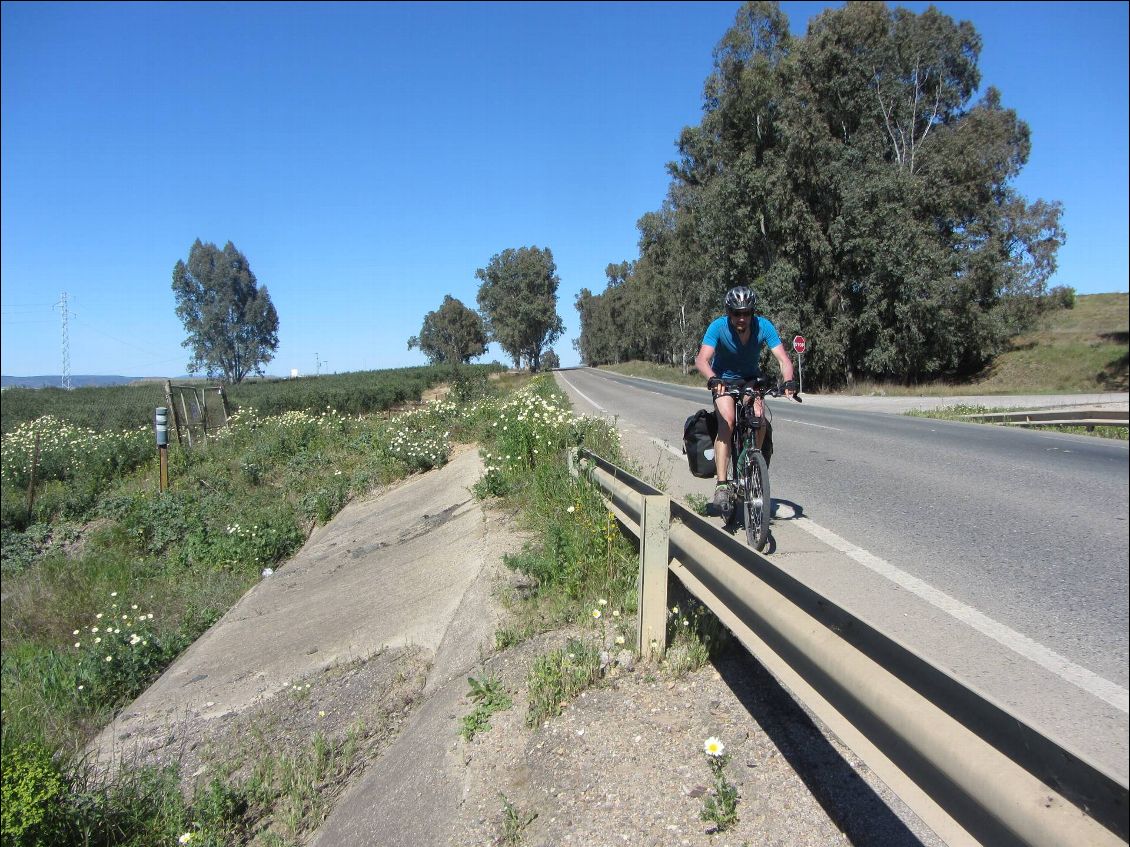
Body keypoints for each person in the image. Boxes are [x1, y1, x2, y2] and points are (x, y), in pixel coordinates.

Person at [694, 285, 797, 513]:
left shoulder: (763, 326)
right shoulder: (718, 327)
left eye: (746, 313)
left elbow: (783, 359)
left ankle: (752, 465)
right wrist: (712, 378)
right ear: (728, 312)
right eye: (737, 313)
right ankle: (722, 485)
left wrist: (789, 381)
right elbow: (702, 359)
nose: (742, 318)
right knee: (728, 420)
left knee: (759, 419)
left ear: (752, 312)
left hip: (751, 380)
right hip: (723, 380)